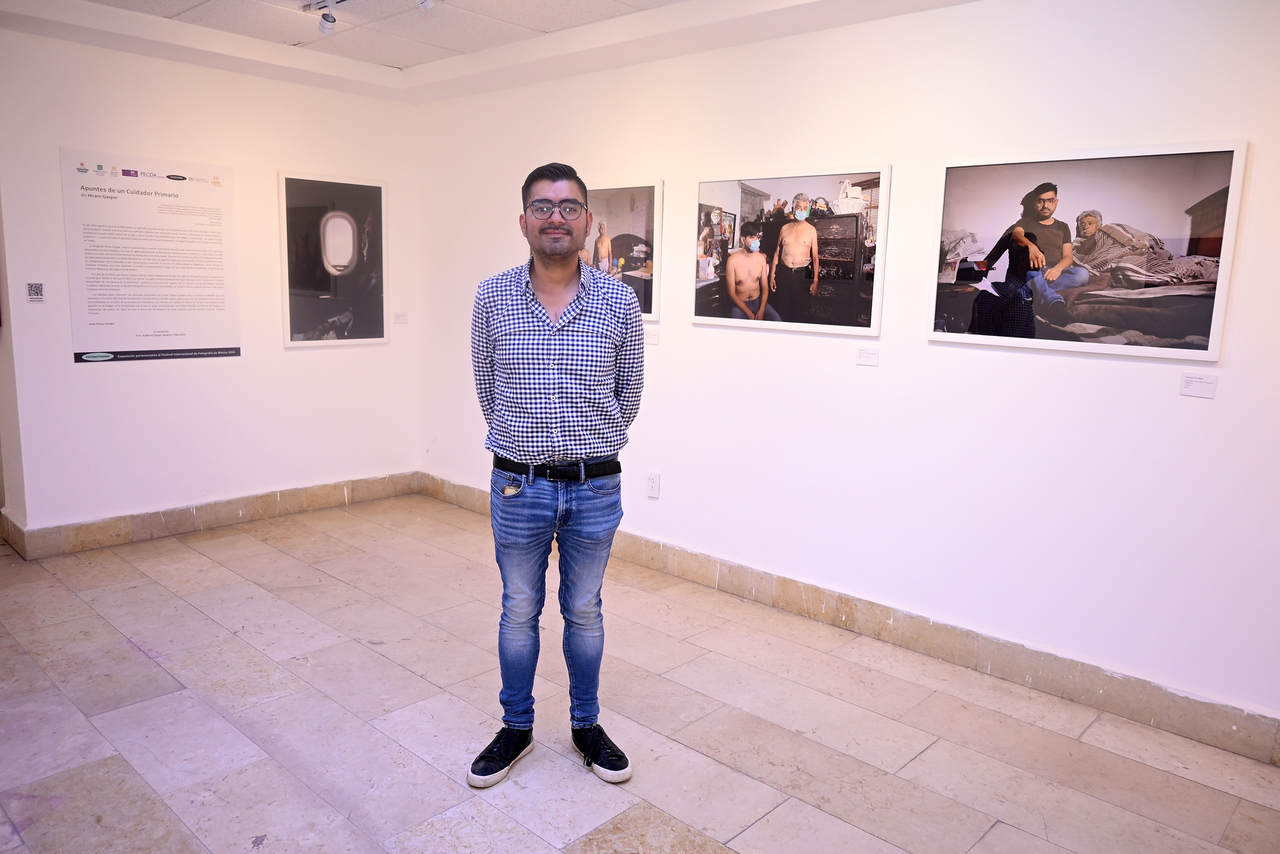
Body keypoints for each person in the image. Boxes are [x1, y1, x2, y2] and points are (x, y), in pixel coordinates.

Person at [468, 163, 644, 788]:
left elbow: (630, 391)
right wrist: (530, 445)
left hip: (595, 487)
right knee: (519, 610)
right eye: (542, 207)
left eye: (569, 207)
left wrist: (589, 448)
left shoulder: (618, 299)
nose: (555, 218)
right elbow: (489, 388)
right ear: (523, 221)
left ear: (588, 220)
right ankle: (516, 728)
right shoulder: (492, 297)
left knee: (585, 611)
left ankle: (585, 724)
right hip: (519, 486)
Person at [978, 182, 1089, 320]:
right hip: (1031, 271)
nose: (1045, 205)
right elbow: (1016, 235)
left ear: (1056, 202)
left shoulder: (1063, 226)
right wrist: (1032, 247)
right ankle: (1053, 304)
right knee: (1032, 272)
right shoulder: (1025, 222)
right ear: (1034, 202)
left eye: (1050, 201)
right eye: (1040, 201)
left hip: (1051, 273)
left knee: (1083, 274)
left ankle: (1033, 292)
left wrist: (1057, 269)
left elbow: (1068, 256)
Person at [770, 193, 820, 321]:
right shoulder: (784, 228)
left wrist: (815, 281)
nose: (801, 210)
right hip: (784, 274)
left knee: (799, 312)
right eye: (799, 207)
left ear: (807, 209)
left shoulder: (811, 230)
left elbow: (815, 258)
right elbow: (777, 252)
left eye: (804, 208)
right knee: (782, 309)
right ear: (793, 209)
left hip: (801, 275)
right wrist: (772, 275)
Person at [725, 221, 780, 321]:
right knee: (734, 329)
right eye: (751, 237)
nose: (756, 240)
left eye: (757, 237)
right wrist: (748, 313)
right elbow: (731, 293)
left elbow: (765, 287)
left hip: (758, 302)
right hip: (740, 305)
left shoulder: (760, 259)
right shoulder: (732, 261)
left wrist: (762, 309)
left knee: (777, 320)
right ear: (743, 240)